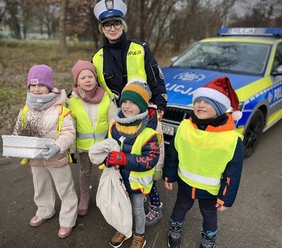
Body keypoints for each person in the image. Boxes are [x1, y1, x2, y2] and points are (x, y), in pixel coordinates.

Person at [93, 0, 167, 226]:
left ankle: (155, 204)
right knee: (124, 158)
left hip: (146, 112)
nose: (112, 28)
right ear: (102, 29)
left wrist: (160, 106)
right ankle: (129, 200)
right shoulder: (97, 57)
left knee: (151, 160)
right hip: (119, 114)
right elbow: (93, 87)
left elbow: (157, 80)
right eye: (107, 25)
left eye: (116, 23)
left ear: (123, 25)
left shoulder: (140, 48)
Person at [163, 76, 244, 248]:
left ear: (220, 108)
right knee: (180, 208)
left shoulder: (232, 139)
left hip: (211, 191)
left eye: (207, 102)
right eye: (198, 100)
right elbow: (173, 153)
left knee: (209, 214)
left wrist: (226, 197)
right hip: (185, 184)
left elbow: (233, 172)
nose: (200, 104)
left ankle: (208, 239)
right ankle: (174, 230)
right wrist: (169, 175)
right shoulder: (185, 127)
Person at [13, 64, 78, 239]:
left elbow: (69, 133)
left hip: (56, 156)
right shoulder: (26, 109)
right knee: (40, 185)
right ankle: (44, 210)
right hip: (35, 158)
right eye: (32, 85)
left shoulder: (60, 109)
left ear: (49, 86)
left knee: (65, 188)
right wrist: (16, 143)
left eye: (41, 85)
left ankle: (68, 218)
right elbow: (19, 130)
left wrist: (57, 146)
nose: (36, 89)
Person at [105, 81, 161, 248]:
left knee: (137, 209)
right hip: (118, 179)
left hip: (136, 181)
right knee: (121, 207)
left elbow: (151, 159)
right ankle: (123, 229)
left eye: (133, 103)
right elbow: (107, 146)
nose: (127, 106)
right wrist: (105, 161)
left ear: (142, 106)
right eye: (124, 101)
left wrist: (123, 159)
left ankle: (139, 235)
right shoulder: (114, 125)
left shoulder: (148, 132)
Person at [69, 60, 117, 216]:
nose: (87, 80)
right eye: (83, 78)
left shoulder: (105, 98)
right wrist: (71, 149)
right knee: (84, 172)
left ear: (96, 79)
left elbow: (112, 121)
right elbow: (70, 125)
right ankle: (84, 197)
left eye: (90, 76)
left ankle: (104, 197)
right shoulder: (73, 100)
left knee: (103, 172)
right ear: (77, 82)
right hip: (84, 147)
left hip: (102, 146)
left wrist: (112, 143)